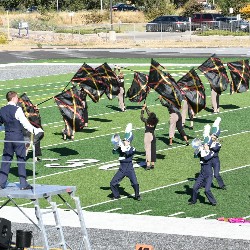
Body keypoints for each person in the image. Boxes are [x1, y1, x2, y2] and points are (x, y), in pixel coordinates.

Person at [0, 91, 44, 190]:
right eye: (16, 98)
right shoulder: (17, 109)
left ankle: (1, 183)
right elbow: (25, 124)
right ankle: (23, 184)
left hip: (7, 138)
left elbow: (0, 125)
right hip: (17, 138)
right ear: (13, 98)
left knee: (6, 159)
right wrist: (36, 130)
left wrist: (6, 128)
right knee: (21, 159)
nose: (18, 99)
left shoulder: (2, 109)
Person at [110, 123, 141, 201]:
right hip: (122, 169)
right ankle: (116, 195)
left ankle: (137, 195)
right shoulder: (121, 147)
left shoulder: (132, 149)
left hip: (130, 169)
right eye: (124, 140)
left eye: (126, 140)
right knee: (112, 183)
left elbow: (128, 154)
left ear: (129, 142)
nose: (124, 141)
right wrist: (117, 146)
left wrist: (123, 148)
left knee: (135, 183)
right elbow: (114, 152)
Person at [189, 138, 217, 206]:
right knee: (195, 188)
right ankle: (194, 200)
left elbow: (206, 158)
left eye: (206, 145)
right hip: (202, 174)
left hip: (209, 174)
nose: (204, 146)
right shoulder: (202, 151)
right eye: (204, 145)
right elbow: (195, 155)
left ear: (208, 146)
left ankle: (213, 201)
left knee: (207, 190)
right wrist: (198, 148)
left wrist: (202, 150)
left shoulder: (211, 153)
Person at [140, 103, 159, 170]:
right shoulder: (155, 122)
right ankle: (153, 164)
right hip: (153, 136)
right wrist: (146, 107)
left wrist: (142, 109)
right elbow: (150, 115)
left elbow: (141, 117)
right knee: (153, 150)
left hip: (147, 136)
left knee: (147, 150)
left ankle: (148, 165)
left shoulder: (146, 122)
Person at [210, 117, 226, 190]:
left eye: (213, 137)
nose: (211, 138)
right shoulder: (208, 143)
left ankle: (222, 185)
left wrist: (208, 145)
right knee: (206, 174)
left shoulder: (218, 145)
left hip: (215, 161)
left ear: (215, 138)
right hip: (209, 161)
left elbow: (215, 149)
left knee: (216, 175)